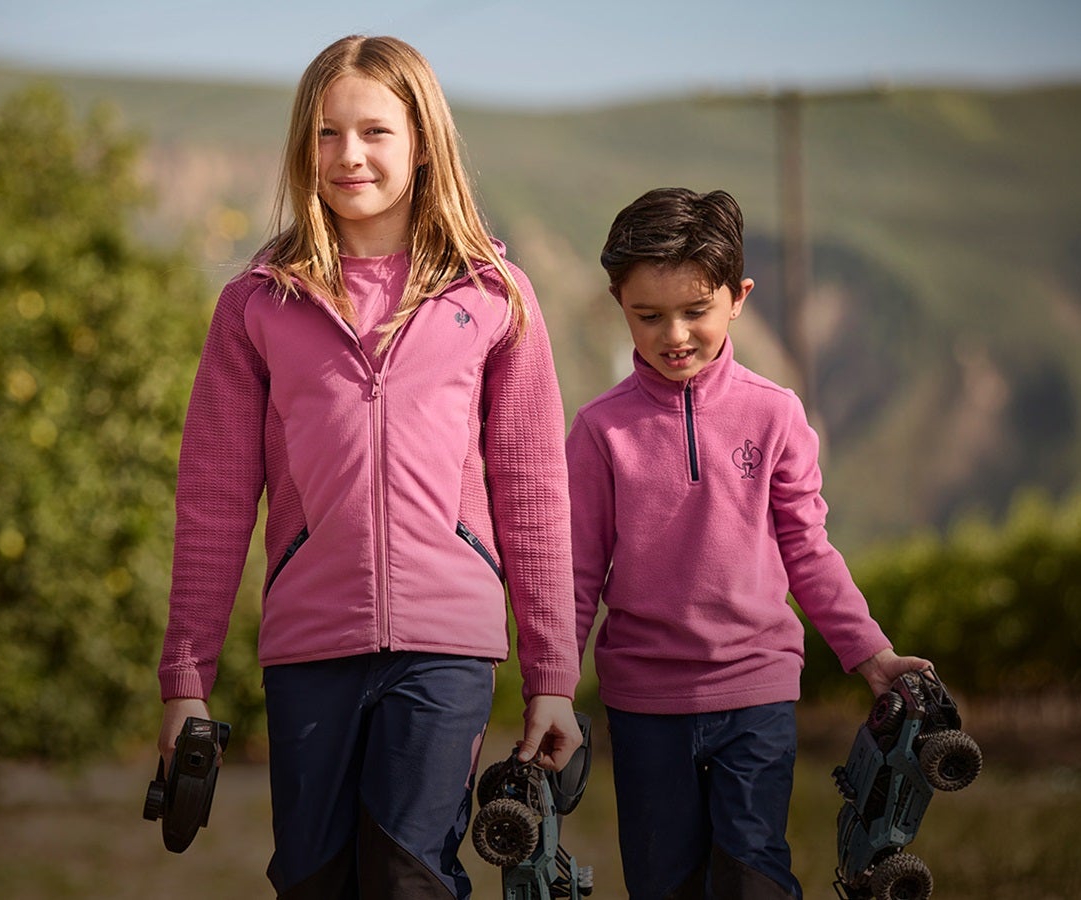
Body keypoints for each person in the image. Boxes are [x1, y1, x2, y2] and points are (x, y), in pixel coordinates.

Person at [155, 34, 582, 900]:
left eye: (375, 131)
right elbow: (213, 500)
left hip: (446, 647)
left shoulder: (493, 295)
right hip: (309, 642)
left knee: (407, 877)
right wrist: (185, 681)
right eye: (326, 133)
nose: (349, 155)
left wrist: (553, 678)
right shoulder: (256, 303)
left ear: (422, 142)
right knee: (312, 880)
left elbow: (534, 492)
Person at [567, 187, 931, 900]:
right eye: (649, 315)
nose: (675, 334)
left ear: (738, 297)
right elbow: (577, 574)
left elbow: (809, 550)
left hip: (756, 693)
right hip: (644, 702)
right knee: (662, 880)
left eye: (695, 310)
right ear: (619, 304)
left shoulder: (775, 414)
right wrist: (551, 689)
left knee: (752, 870)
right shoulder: (599, 431)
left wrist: (871, 654)